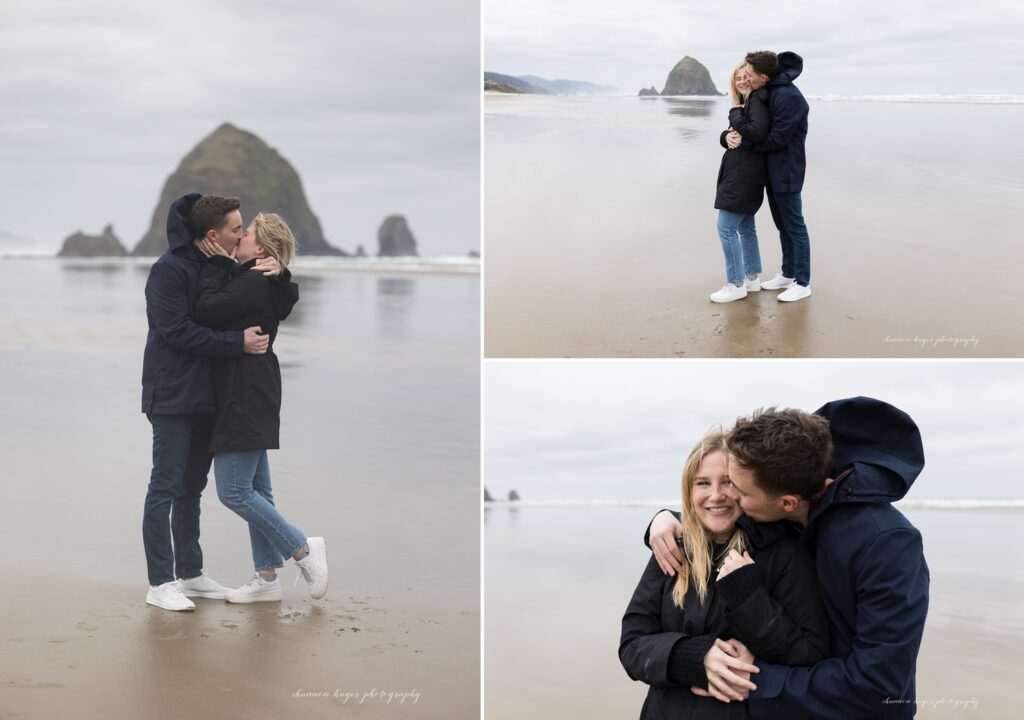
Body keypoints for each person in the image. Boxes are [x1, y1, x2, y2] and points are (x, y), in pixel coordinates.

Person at [645, 399, 929, 718]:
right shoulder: (789, 491)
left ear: (787, 503)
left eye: (738, 489)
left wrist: (755, 677)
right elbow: (716, 513)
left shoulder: (886, 546)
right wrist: (667, 518)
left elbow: (881, 691)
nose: (728, 497)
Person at [620, 429, 829, 718]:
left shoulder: (783, 552)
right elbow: (632, 645)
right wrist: (690, 658)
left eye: (728, 482)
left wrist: (748, 597)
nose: (716, 495)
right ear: (688, 490)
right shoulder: (672, 548)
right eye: (703, 483)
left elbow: (811, 653)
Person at [142, 193, 281, 612]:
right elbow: (178, 331)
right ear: (212, 234)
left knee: (192, 489)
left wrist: (278, 269)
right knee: (164, 487)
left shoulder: (216, 267)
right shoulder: (166, 271)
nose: (241, 234)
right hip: (170, 394)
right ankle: (160, 582)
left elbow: (252, 298)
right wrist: (236, 342)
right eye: (236, 229)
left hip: (208, 397)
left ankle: (190, 573)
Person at [193, 211, 328, 604]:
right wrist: (281, 273)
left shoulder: (252, 281)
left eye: (246, 233)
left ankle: (302, 548)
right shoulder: (257, 278)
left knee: (234, 492)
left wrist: (217, 262)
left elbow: (205, 310)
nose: (239, 237)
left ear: (262, 249)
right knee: (256, 490)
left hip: (246, 393)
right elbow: (277, 300)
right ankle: (266, 578)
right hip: (251, 389)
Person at [726, 51, 812, 303]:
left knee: (795, 226)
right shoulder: (771, 91)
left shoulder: (790, 97)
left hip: (787, 170)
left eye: (749, 75)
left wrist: (744, 143)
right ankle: (788, 273)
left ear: (763, 77)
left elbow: (776, 139)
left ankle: (803, 282)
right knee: (782, 225)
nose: (746, 79)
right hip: (771, 169)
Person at [710, 62, 770, 304]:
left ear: (756, 78)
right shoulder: (748, 104)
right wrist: (726, 136)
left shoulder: (754, 102)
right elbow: (735, 133)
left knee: (725, 228)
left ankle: (736, 284)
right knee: (746, 228)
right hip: (744, 172)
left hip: (743, 175)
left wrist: (734, 114)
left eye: (747, 76)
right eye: (738, 78)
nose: (743, 81)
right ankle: (752, 278)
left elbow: (756, 134)